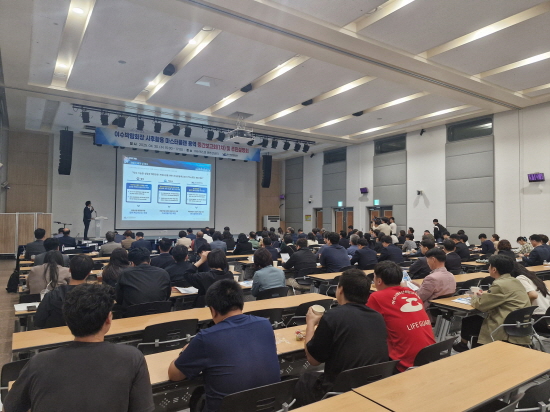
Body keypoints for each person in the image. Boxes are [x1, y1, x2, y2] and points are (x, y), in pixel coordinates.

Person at [5, 283, 155, 412]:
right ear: (108, 319)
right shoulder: (132, 358)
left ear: (67, 320)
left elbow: (10, 407)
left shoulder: (38, 362)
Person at [168, 279, 280, 412]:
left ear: (213, 310)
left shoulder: (206, 338)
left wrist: (184, 351)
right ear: (241, 303)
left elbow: (174, 375)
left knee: (198, 395)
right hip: (267, 407)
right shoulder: (265, 324)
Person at [295, 269, 388, 406]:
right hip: (372, 385)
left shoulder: (333, 316)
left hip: (340, 390)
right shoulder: (377, 317)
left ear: (340, 290)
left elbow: (313, 360)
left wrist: (310, 323)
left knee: (305, 379)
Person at [368, 261, 435, 372]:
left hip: (405, 362)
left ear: (379, 281)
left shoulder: (376, 297)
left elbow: (366, 324)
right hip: (431, 354)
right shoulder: (412, 292)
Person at [454, 255, 531, 352]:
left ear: (494, 269)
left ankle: (464, 345)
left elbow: (481, 305)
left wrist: (474, 296)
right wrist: (484, 296)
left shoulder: (499, 284)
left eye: (489, 266)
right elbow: (500, 297)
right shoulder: (515, 281)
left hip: (504, 324)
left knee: (470, 320)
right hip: (519, 323)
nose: (488, 268)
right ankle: (463, 345)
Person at [35, 255, 93, 329]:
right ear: (89, 273)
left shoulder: (52, 295)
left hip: (57, 334)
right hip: (88, 333)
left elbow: (39, 321)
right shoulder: (95, 295)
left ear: (69, 270)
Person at [512, 263, 550, 328]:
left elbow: (533, 295)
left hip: (539, 317)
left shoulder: (520, 278)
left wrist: (524, 304)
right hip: (547, 314)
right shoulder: (534, 277)